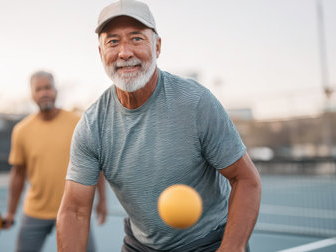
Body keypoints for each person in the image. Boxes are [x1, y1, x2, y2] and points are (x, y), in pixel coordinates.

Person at [57, 0, 261, 251]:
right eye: (113, 42)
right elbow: (75, 210)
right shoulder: (91, 126)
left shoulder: (196, 102)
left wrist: (231, 247)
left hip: (209, 241)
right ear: (100, 53)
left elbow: (245, 179)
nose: (124, 52)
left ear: (157, 46)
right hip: (141, 245)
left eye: (136, 39)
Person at [3, 70, 107, 252]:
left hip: (74, 211)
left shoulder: (78, 123)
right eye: (38, 89)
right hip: (35, 212)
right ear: (32, 95)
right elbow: (17, 174)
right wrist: (11, 211)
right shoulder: (21, 130)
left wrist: (102, 201)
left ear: (56, 91)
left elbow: (94, 166)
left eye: (48, 87)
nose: (44, 93)